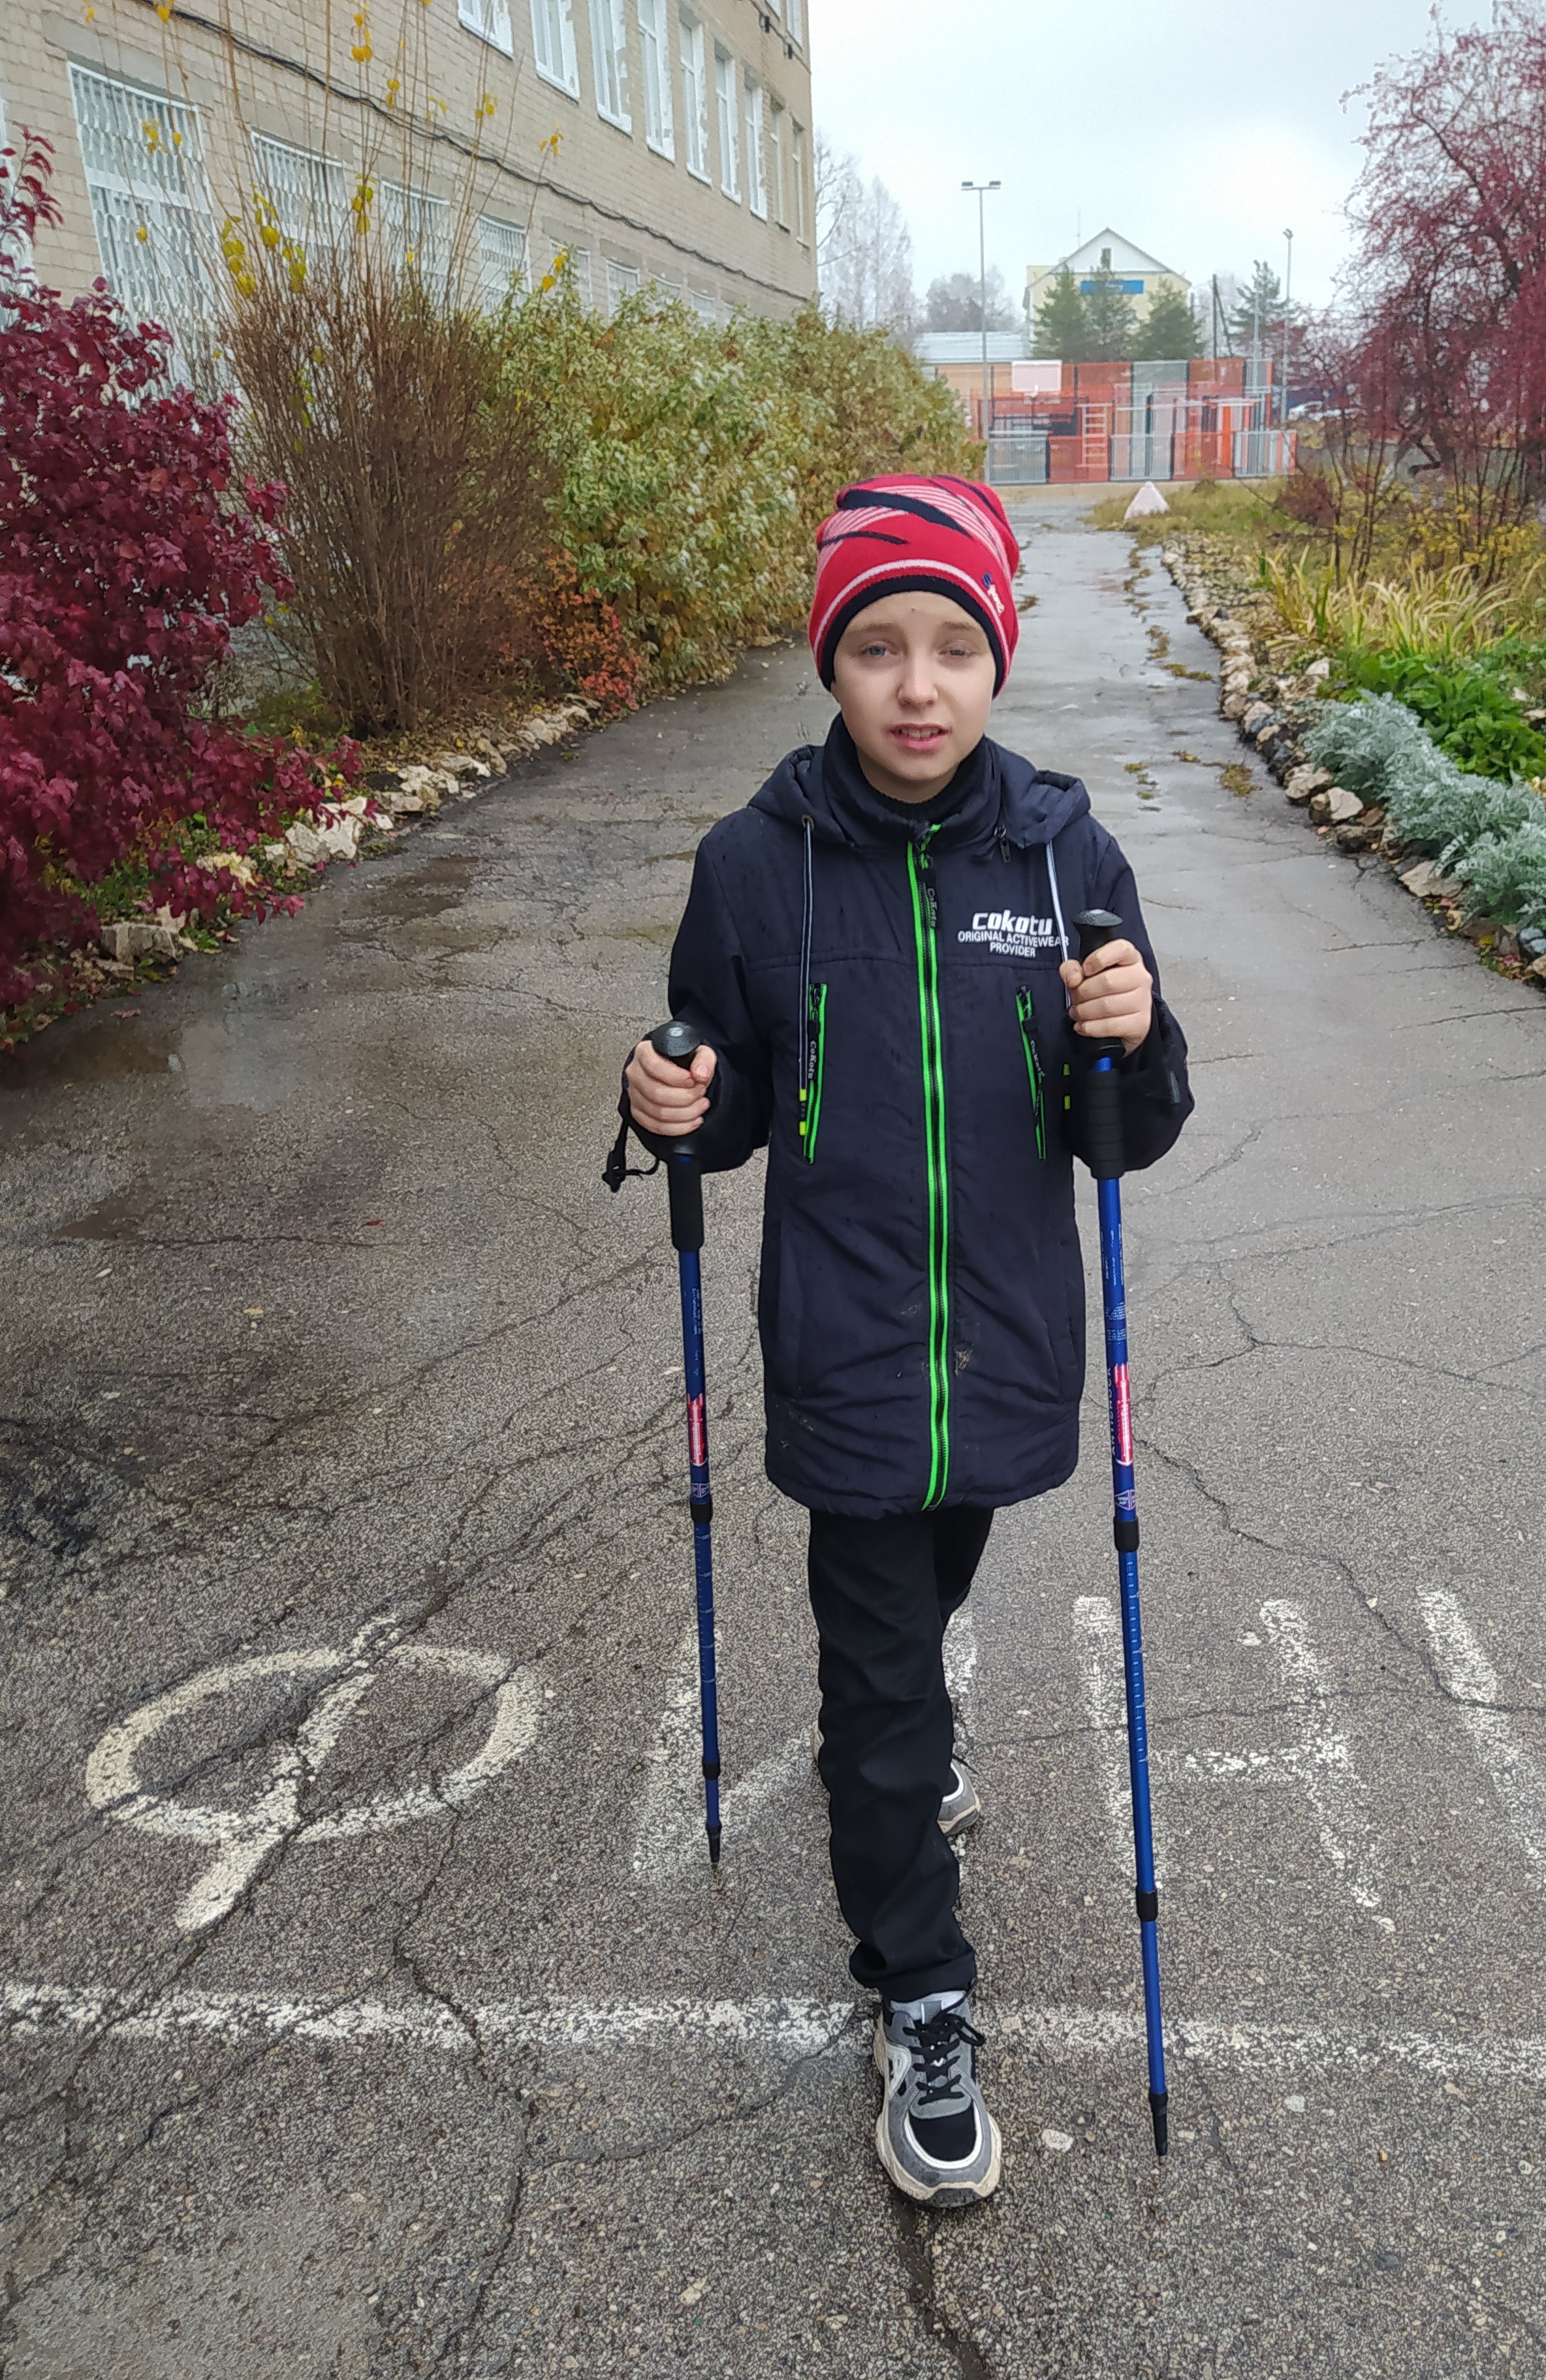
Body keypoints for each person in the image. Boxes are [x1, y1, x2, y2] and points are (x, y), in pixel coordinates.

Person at [623, 476, 1192, 2207]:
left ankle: (905, 1775)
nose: (919, 685)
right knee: (876, 1681)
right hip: (850, 1346)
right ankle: (922, 1990)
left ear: (1000, 658)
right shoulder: (754, 863)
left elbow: (1129, 1125)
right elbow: (721, 1102)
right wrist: (670, 1101)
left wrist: (1136, 1032)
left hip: (1005, 1344)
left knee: (931, 1602)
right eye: (878, 647)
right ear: (832, 663)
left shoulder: (1065, 855)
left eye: (954, 644)